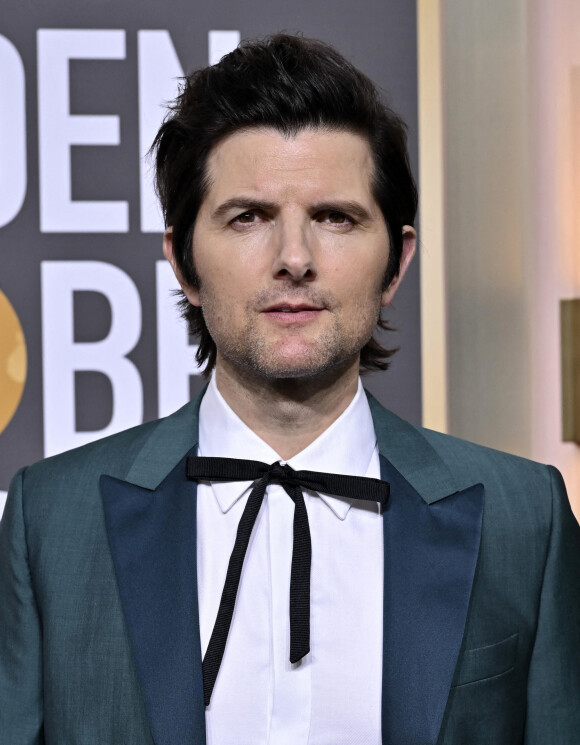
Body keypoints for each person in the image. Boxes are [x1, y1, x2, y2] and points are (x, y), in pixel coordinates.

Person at [1, 33, 579, 745]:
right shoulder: (52, 521)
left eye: (335, 217)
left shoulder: (525, 519)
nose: (295, 259)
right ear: (184, 263)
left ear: (396, 262)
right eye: (249, 217)